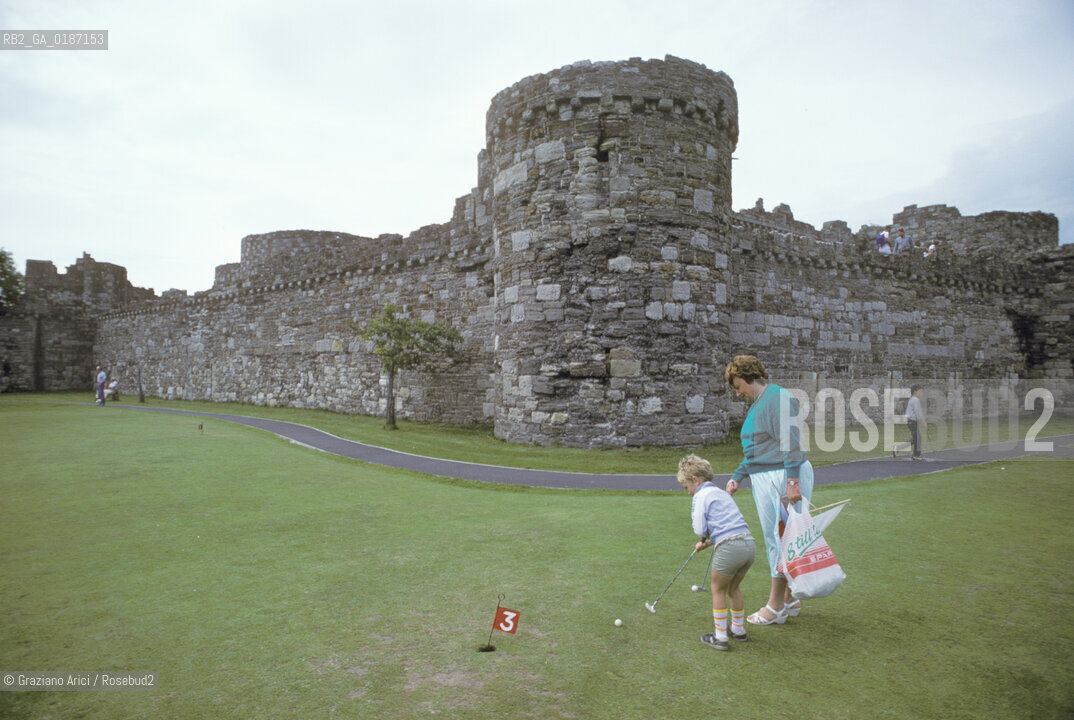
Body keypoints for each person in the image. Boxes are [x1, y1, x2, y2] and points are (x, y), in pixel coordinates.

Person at [724, 355, 814, 625]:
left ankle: (775, 607)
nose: (738, 393)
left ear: (749, 376)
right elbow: (756, 450)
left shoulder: (777, 398)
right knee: (784, 538)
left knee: (781, 539)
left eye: (738, 386)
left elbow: (791, 440)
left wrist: (792, 482)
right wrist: (738, 477)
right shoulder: (758, 404)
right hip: (769, 476)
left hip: (782, 476)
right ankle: (790, 598)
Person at [677, 455, 756, 650]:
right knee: (733, 588)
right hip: (748, 545)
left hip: (729, 548)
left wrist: (702, 539)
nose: (687, 492)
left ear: (695, 480)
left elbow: (699, 527)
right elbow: (728, 525)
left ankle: (720, 637)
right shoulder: (722, 493)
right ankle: (738, 630)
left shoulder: (700, 496)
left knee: (718, 590)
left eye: (686, 486)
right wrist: (709, 542)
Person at [893, 385, 927, 459]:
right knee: (916, 439)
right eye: (920, 391)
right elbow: (918, 412)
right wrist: (923, 421)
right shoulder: (915, 400)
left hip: (911, 421)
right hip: (912, 421)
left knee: (917, 438)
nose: (922, 393)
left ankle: (915, 455)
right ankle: (899, 448)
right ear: (915, 391)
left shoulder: (914, 399)